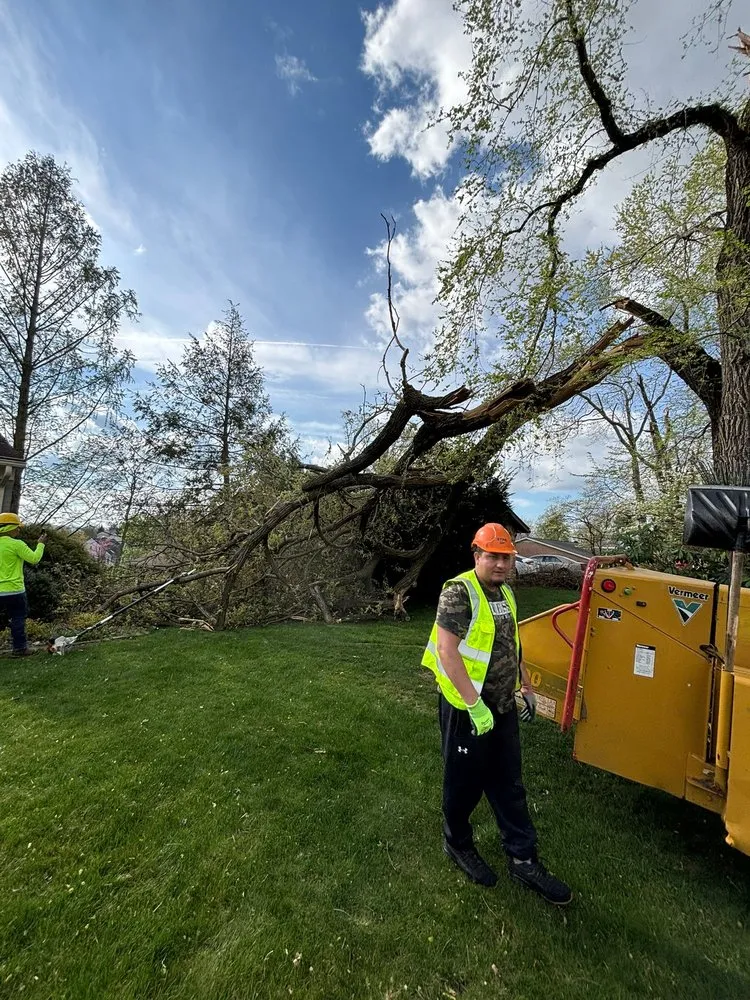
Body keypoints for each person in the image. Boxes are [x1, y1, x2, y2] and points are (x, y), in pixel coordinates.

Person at [421, 522, 572, 906]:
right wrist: (474, 706)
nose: (502, 564)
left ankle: (523, 858)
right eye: (493, 556)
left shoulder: (505, 592)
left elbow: (512, 642)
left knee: (509, 784)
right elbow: (447, 653)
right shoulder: (459, 591)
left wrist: (526, 686)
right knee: (464, 784)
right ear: (477, 556)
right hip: (466, 708)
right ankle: (456, 842)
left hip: (503, 705)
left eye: (507, 557)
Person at [0, 512, 46, 657]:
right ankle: (19, 649)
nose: (19, 530)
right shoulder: (17, 544)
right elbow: (34, 559)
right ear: (10, 528)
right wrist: (41, 544)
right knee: (18, 619)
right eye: (17, 527)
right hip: (14, 590)